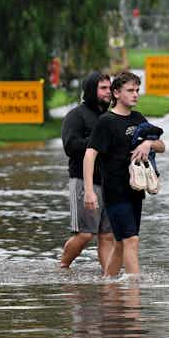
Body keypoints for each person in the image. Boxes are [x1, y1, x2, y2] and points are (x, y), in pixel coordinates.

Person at [83, 72, 165, 276]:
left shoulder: (138, 119)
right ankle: (133, 291)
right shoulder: (106, 121)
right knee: (131, 240)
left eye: (137, 90)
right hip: (114, 192)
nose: (136, 94)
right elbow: (89, 155)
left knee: (121, 243)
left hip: (136, 190)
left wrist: (148, 143)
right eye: (130, 90)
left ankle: (108, 285)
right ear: (116, 93)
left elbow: (162, 146)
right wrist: (88, 191)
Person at [60, 71, 114, 269]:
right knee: (85, 234)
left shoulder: (110, 116)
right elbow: (70, 146)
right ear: (91, 90)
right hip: (83, 182)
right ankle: (62, 268)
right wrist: (98, 142)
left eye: (110, 87)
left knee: (107, 236)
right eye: (103, 88)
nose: (109, 92)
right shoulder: (76, 116)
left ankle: (109, 279)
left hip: (109, 182)